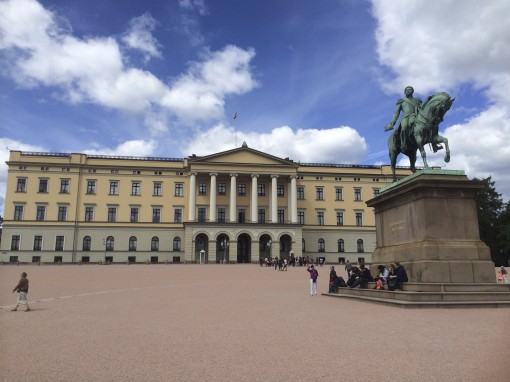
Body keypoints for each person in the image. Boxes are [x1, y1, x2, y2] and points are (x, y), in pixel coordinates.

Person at [385, 86, 441, 152]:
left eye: (410, 90)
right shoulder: (401, 101)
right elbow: (396, 113)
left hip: (416, 116)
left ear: (412, 91)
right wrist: (392, 122)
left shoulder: (417, 101)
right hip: (406, 117)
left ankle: (434, 144)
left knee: (430, 126)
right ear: (405, 92)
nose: (408, 91)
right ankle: (403, 143)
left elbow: (423, 108)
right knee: (404, 127)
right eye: (406, 90)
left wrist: (428, 100)